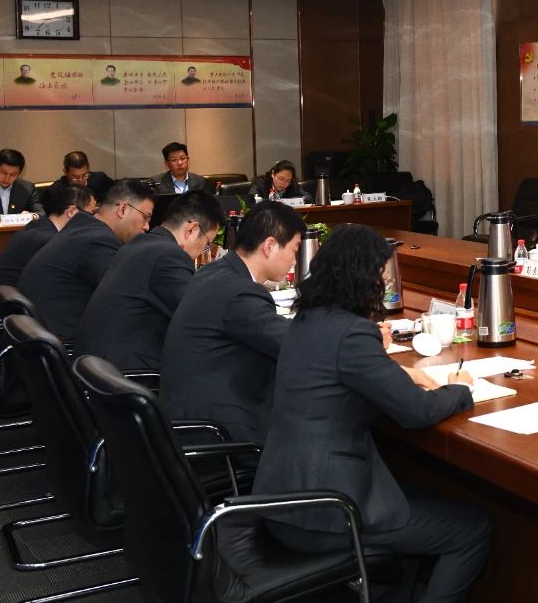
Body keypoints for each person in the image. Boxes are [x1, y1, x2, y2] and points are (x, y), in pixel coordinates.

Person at [255, 225, 489, 603]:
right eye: (381, 274)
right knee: (472, 529)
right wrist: (461, 388)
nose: (384, 283)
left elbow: (342, 374)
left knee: (417, 500)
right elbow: (416, 412)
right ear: (364, 277)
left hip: (283, 499)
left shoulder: (307, 319)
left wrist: (393, 371)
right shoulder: (352, 333)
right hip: (325, 512)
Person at [160, 201, 304, 444]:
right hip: (215, 433)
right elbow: (295, 344)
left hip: (188, 414)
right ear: (269, 245)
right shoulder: (239, 292)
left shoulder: (214, 272)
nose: (294, 261)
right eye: (294, 250)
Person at [76, 191, 225, 372]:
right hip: (128, 375)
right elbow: (200, 317)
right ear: (192, 230)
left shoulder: (140, 244)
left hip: (98, 369)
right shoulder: (168, 256)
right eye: (208, 244)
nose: (204, 251)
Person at [18, 180, 154, 341]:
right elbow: (125, 296)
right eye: (145, 217)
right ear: (123, 209)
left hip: (40, 333)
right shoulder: (98, 240)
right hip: (64, 342)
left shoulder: (84, 228)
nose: (147, 227)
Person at [0, 185, 95, 312]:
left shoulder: (38, 226)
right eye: (90, 215)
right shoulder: (49, 241)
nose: (94, 221)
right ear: (71, 212)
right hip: (2, 313)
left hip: (0, 308)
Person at [40, 150, 114, 211]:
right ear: (65, 172)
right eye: (75, 177)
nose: (81, 180)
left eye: (85, 175)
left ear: (88, 169)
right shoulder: (54, 192)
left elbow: (116, 195)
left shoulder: (100, 179)